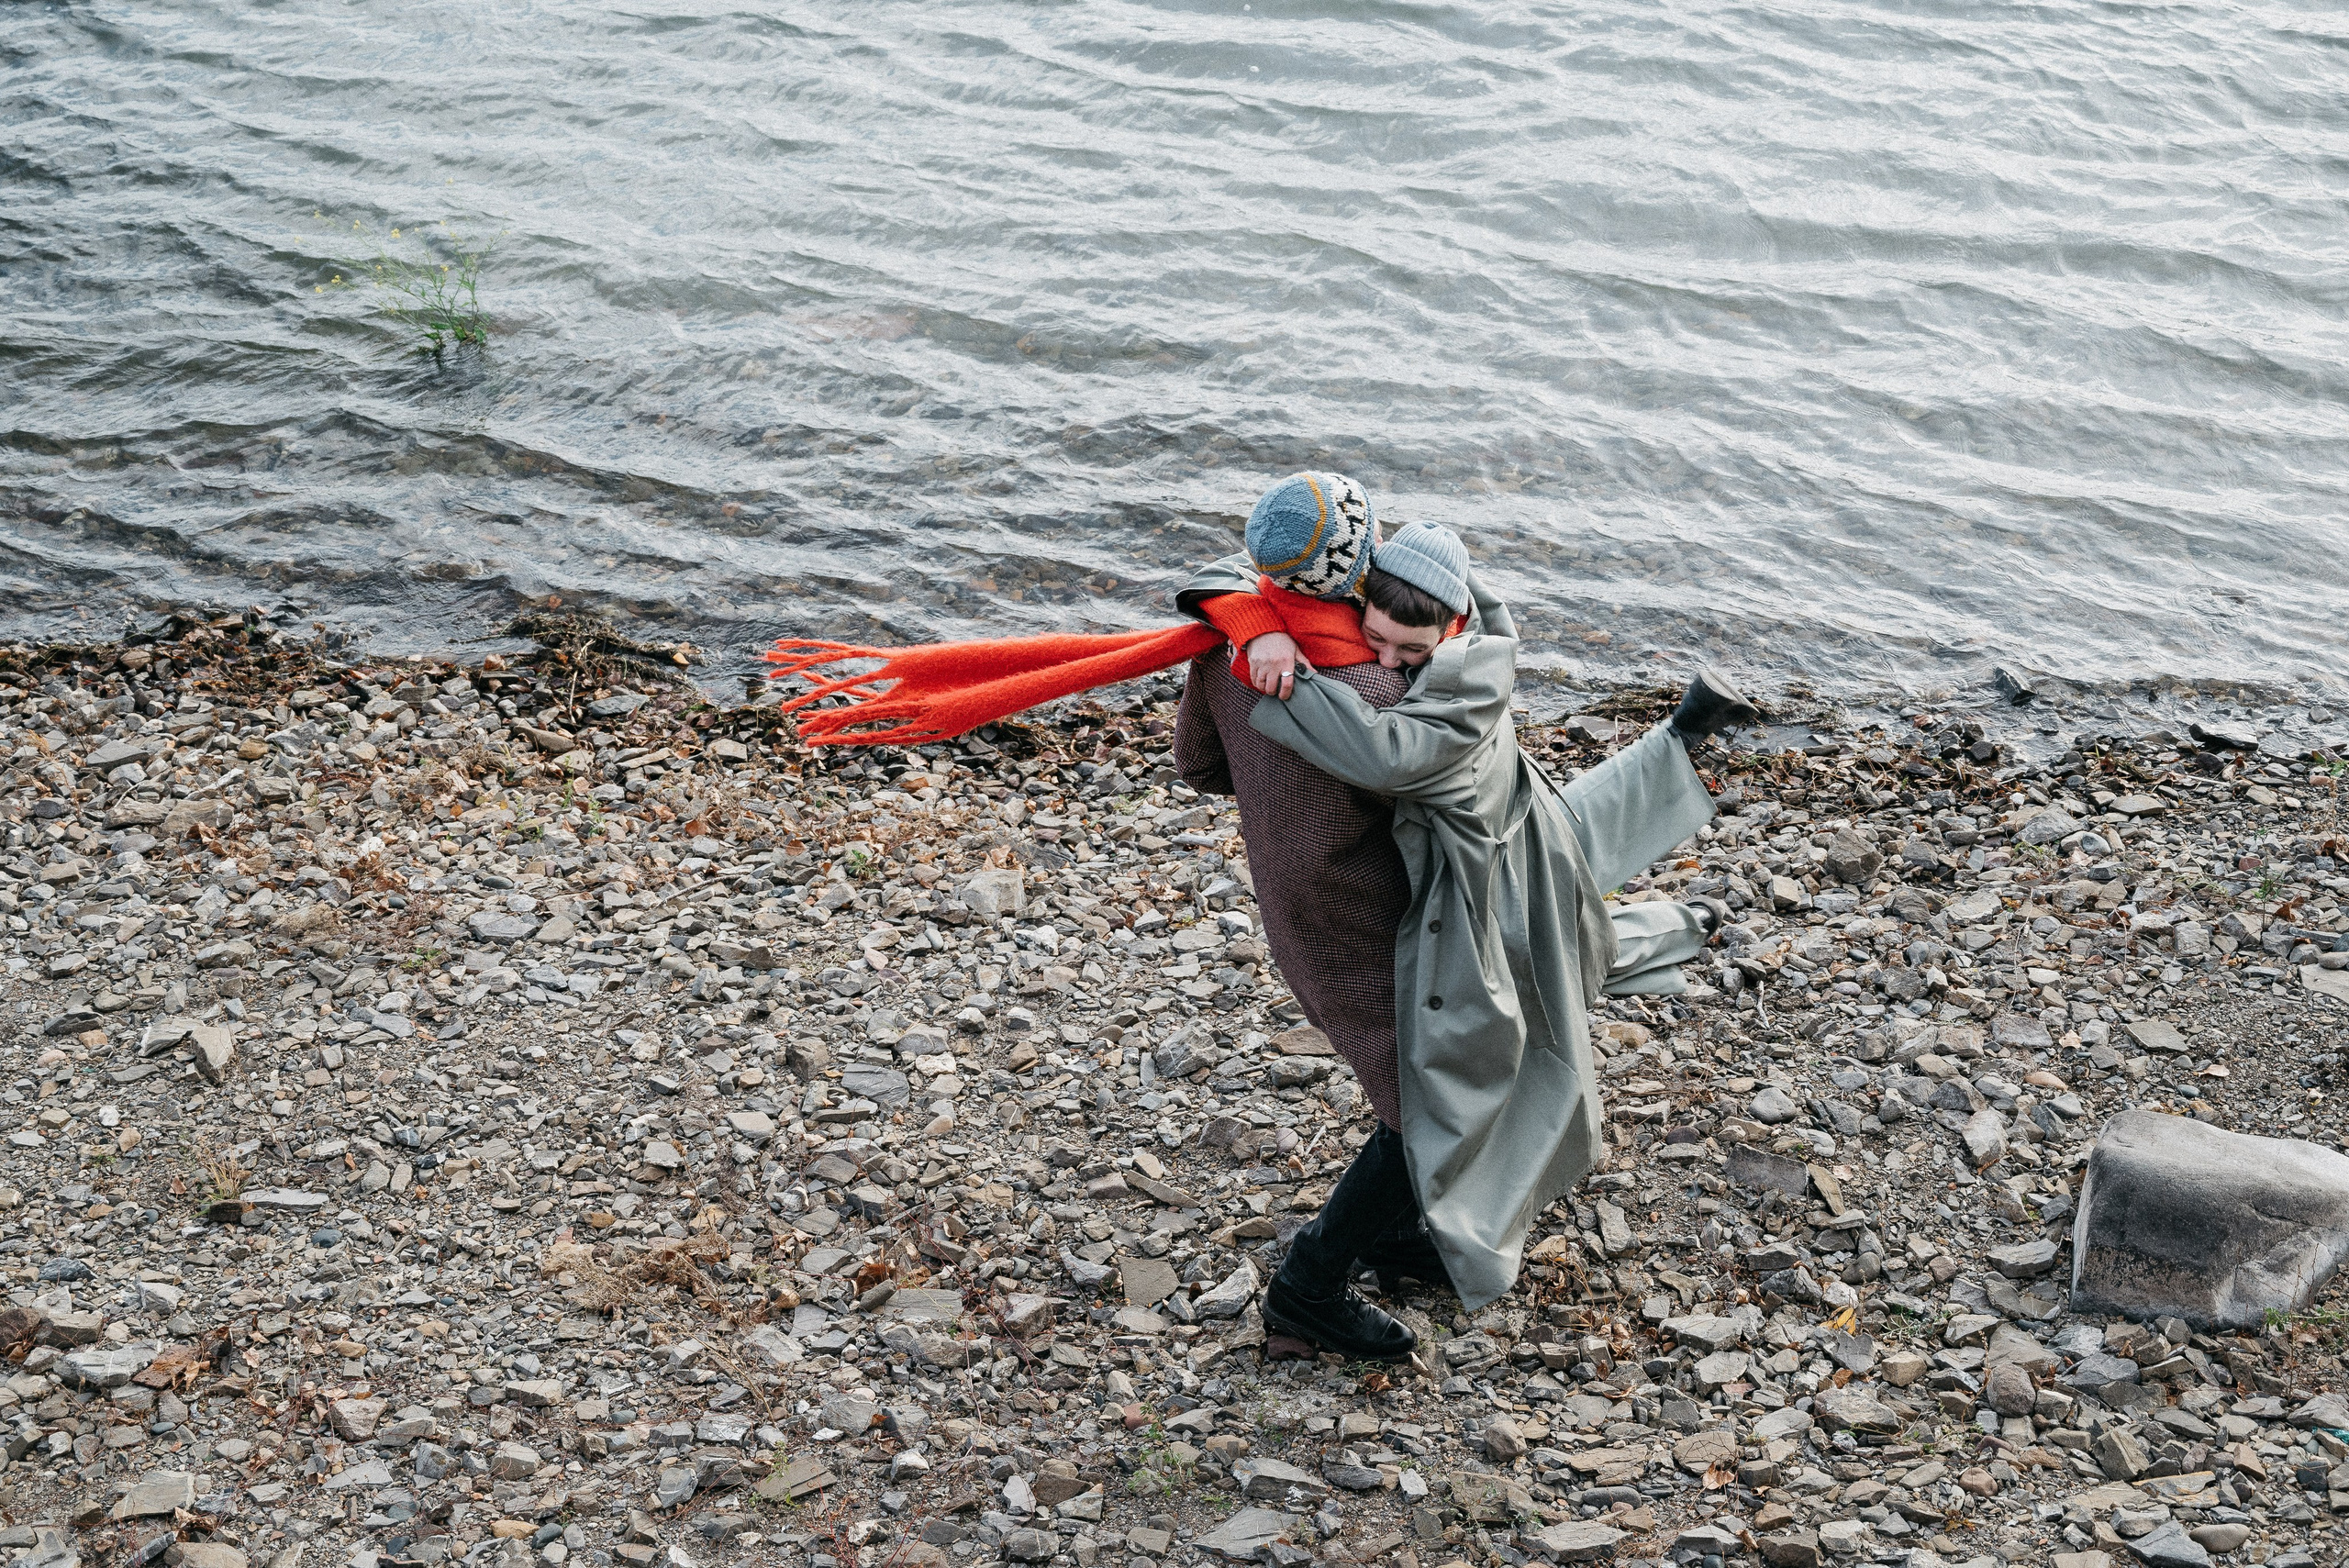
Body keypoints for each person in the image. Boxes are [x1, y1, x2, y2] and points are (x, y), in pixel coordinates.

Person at [1174, 473, 1754, 1360]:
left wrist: (1250, 624)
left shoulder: (1234, 648)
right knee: (1426, 1097)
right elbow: (1455, 787)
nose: (1395, 655)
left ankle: (1398, 1238)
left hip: (1298, 912)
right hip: (1385, 922)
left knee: (1422, 1082)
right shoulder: (1391, 692)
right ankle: (1307, 1289)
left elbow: (1200, 765)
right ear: (1363, 567)